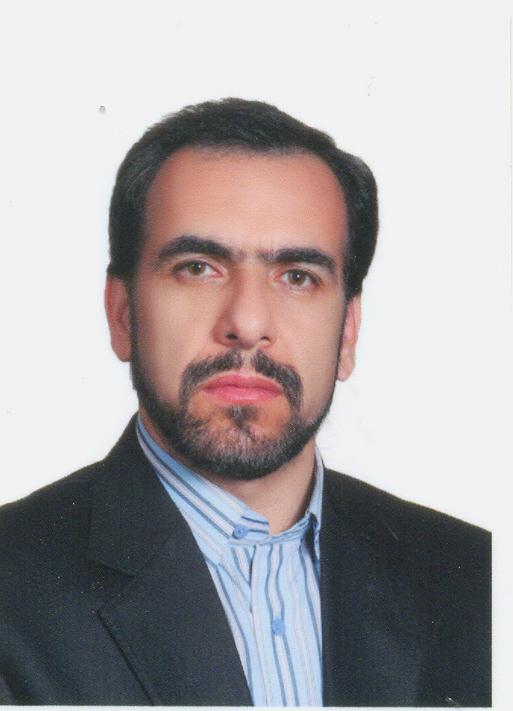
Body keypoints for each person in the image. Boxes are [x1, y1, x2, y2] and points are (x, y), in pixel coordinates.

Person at [0, 99, 490, 707]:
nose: (249, 324)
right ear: (122, 313)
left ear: (348, 332)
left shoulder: (478, 581)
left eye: (298, 276)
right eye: (198, 268)